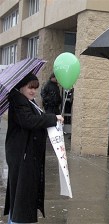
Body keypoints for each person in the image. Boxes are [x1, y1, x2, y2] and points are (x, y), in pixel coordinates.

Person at [4, 73, 64, 223]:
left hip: (26, 154)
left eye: (35, 88)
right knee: (22, 196)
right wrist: (53, 118)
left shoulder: (28, 101)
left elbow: (35, 120)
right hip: (22, 155)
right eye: (30, 87)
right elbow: (29, 121)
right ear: (22, 86)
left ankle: (15, 220)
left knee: (20, 196)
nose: (33, 91)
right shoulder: (19, 101)